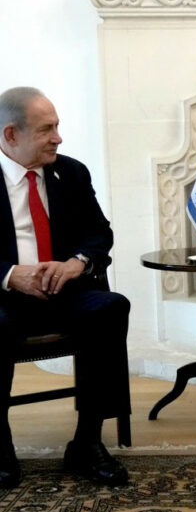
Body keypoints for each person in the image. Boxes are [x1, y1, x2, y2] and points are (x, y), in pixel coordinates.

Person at [0, 87, 130, 488]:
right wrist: (9, 274)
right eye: (46, 130)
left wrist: (77, 263)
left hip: (63, 292)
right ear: (10, 135)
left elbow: (99, 232)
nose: (58, 138)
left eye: (57, 127)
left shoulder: (71, 172)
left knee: (111, 307)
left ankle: (87, 442)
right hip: (5, 298)